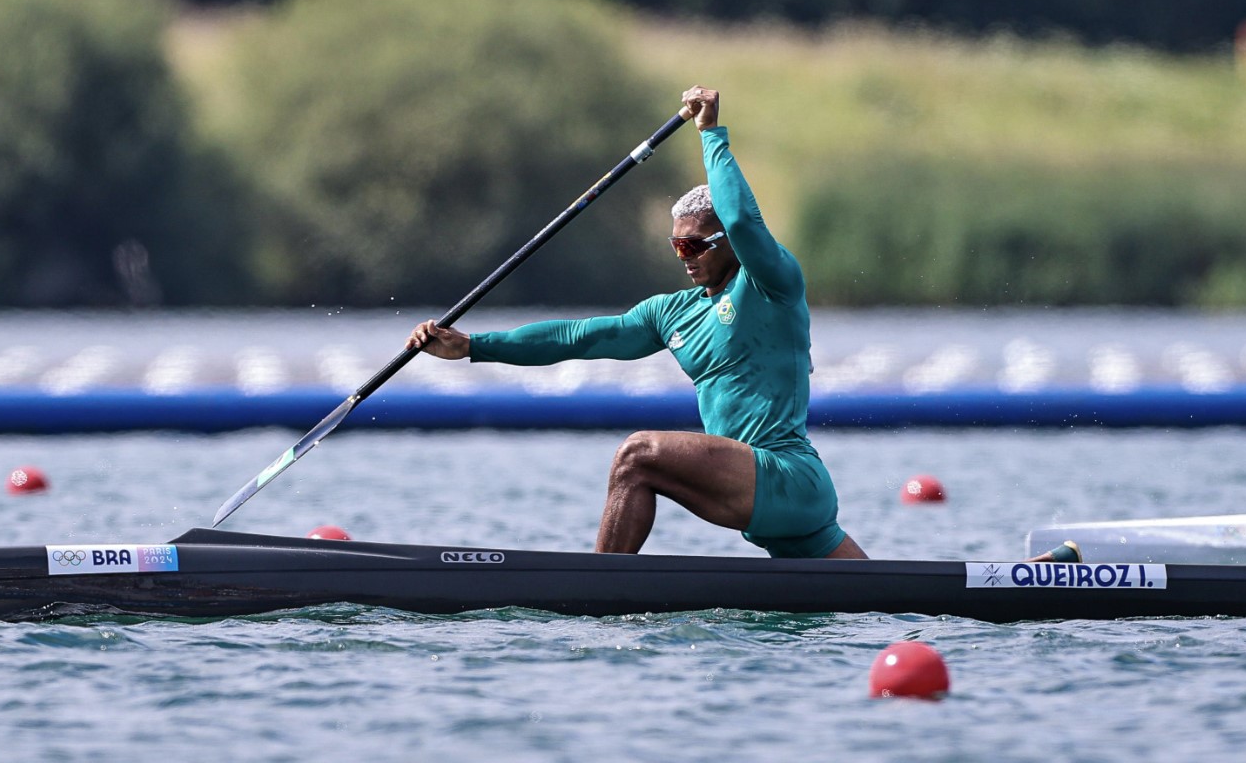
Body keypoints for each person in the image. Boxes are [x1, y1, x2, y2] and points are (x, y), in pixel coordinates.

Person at [409, 85, 1080, 565]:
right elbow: (580, 338)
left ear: (724, 241)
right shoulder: (671, 314)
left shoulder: (770, 282)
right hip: (782, 519)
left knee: (636, 457)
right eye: (675, 247)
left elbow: (746, 220)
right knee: (891, 603)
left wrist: (710, 134)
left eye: (696, 245)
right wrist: (472, 347)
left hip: (784, 476)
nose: (685, 258)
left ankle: (599, 589)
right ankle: (1038, 576)